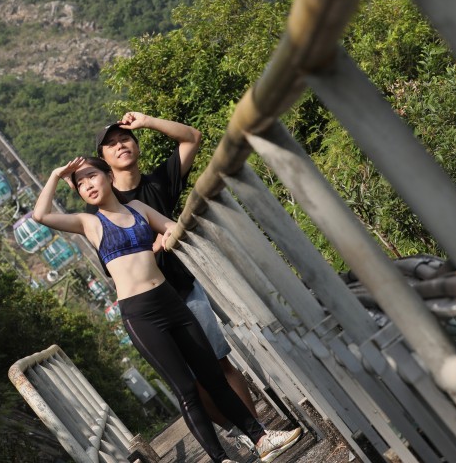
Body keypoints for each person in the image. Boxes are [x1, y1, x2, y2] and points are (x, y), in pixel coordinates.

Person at [34, 156, 301, 463]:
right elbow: (41, 215)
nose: (87, 185)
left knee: (212, 375)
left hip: (170, 300)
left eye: (92, 176)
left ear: (109, 176)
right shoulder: (89, 223)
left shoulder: (139, 210)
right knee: (187, 389)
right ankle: (221, 459)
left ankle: (262, 438)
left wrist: (162, 240)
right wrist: (56, 173)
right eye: (80, 183)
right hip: (140, 314)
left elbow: (174, 228)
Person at [93, 113, 261, 449]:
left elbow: (192, 138)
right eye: (110, 144)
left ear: (136, 143)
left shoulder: (156, 184)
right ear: (104, 161)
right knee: (194, 382)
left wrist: (145, 121)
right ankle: (237, 434)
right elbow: (113, 265)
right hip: (151, 306)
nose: (120, 145)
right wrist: (150, 246)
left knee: (218, 363)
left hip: (184, 289)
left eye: (124, 138)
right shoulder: (105, 207)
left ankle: (260, 433)